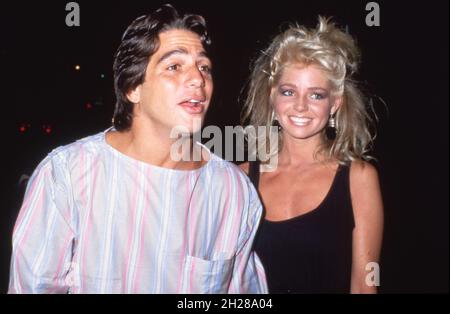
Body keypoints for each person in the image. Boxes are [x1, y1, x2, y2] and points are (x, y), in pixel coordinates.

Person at [8, 4, 267, 294]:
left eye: (204, 67)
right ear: (133, 88)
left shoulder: (233, 190)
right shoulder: (67, 176)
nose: (198, 79)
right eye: (174, 66)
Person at [240, 17, 383, 293]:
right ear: (273, 97)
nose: (301, 106)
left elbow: (365, 287)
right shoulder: (241, 178)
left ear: (335, 104)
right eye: (289, 91)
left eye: (316, 95)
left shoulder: (358, 178)